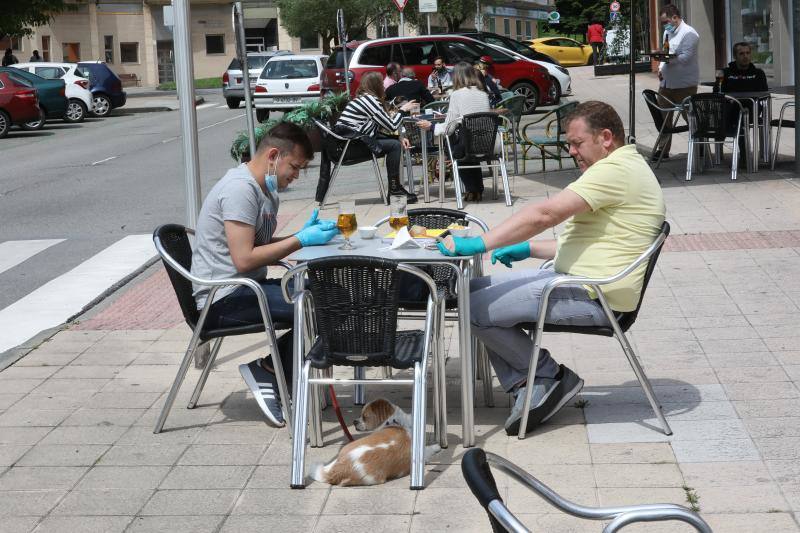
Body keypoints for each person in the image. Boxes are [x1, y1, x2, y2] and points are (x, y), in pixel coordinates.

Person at [438, 101, 665, 435]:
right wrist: (528, 247)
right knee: (469, 292)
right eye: (569, 145)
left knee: (471, 306)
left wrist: (482, 243)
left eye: (576, 143)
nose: (572, 151)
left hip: (595, 294)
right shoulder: (625, 166)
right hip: (585, 282)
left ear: (605, 137)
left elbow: (545, 215)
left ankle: (547, 377)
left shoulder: (616, 169)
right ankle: (529, 385)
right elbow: (589, 246)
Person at [191, 122, 339, 427]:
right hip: (224, 299)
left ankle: (280, 371)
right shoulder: (240, 190)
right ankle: (271, 370)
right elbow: (244, 258)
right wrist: (300, 240)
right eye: (295, 166)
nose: (296, 176)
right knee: (325, 306)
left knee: (334, 293)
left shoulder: (265, 190)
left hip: (246, 288)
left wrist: (300, 234)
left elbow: (255, 245)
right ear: (273, 155)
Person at [335, 71, 430, 203]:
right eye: (381, 84)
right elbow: (391, 125)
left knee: (395, 143)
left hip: (345, 144)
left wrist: (399, 137)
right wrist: (403, 109)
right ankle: (394, 189)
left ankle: (395, 188)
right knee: (394, 146)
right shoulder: (370, 100)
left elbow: (380, 127)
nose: (384, 87)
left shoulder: (364, 98)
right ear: (376, 86)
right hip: (349, 147)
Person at [434, 62, 495, 203]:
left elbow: (449, 127)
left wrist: (433, 127)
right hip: (487, 143)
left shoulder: (456, 94)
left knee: (452, 145)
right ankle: (476, 189)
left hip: (468, 144)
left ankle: (471, 188)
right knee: (467, 150)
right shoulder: (482, 93)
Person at [655, 4, 699, 160]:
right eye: (662, 22)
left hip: (684, 86)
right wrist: (660, 66)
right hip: (666, 84)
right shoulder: (668, 32)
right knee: (664, 119)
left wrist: (666, 59)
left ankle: (698, 147)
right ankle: (663, 150)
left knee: (690, 117)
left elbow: (685, 58)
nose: (664, 25)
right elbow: (666, 51)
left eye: (666, 21)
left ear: (675, 17)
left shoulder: (689, 34)